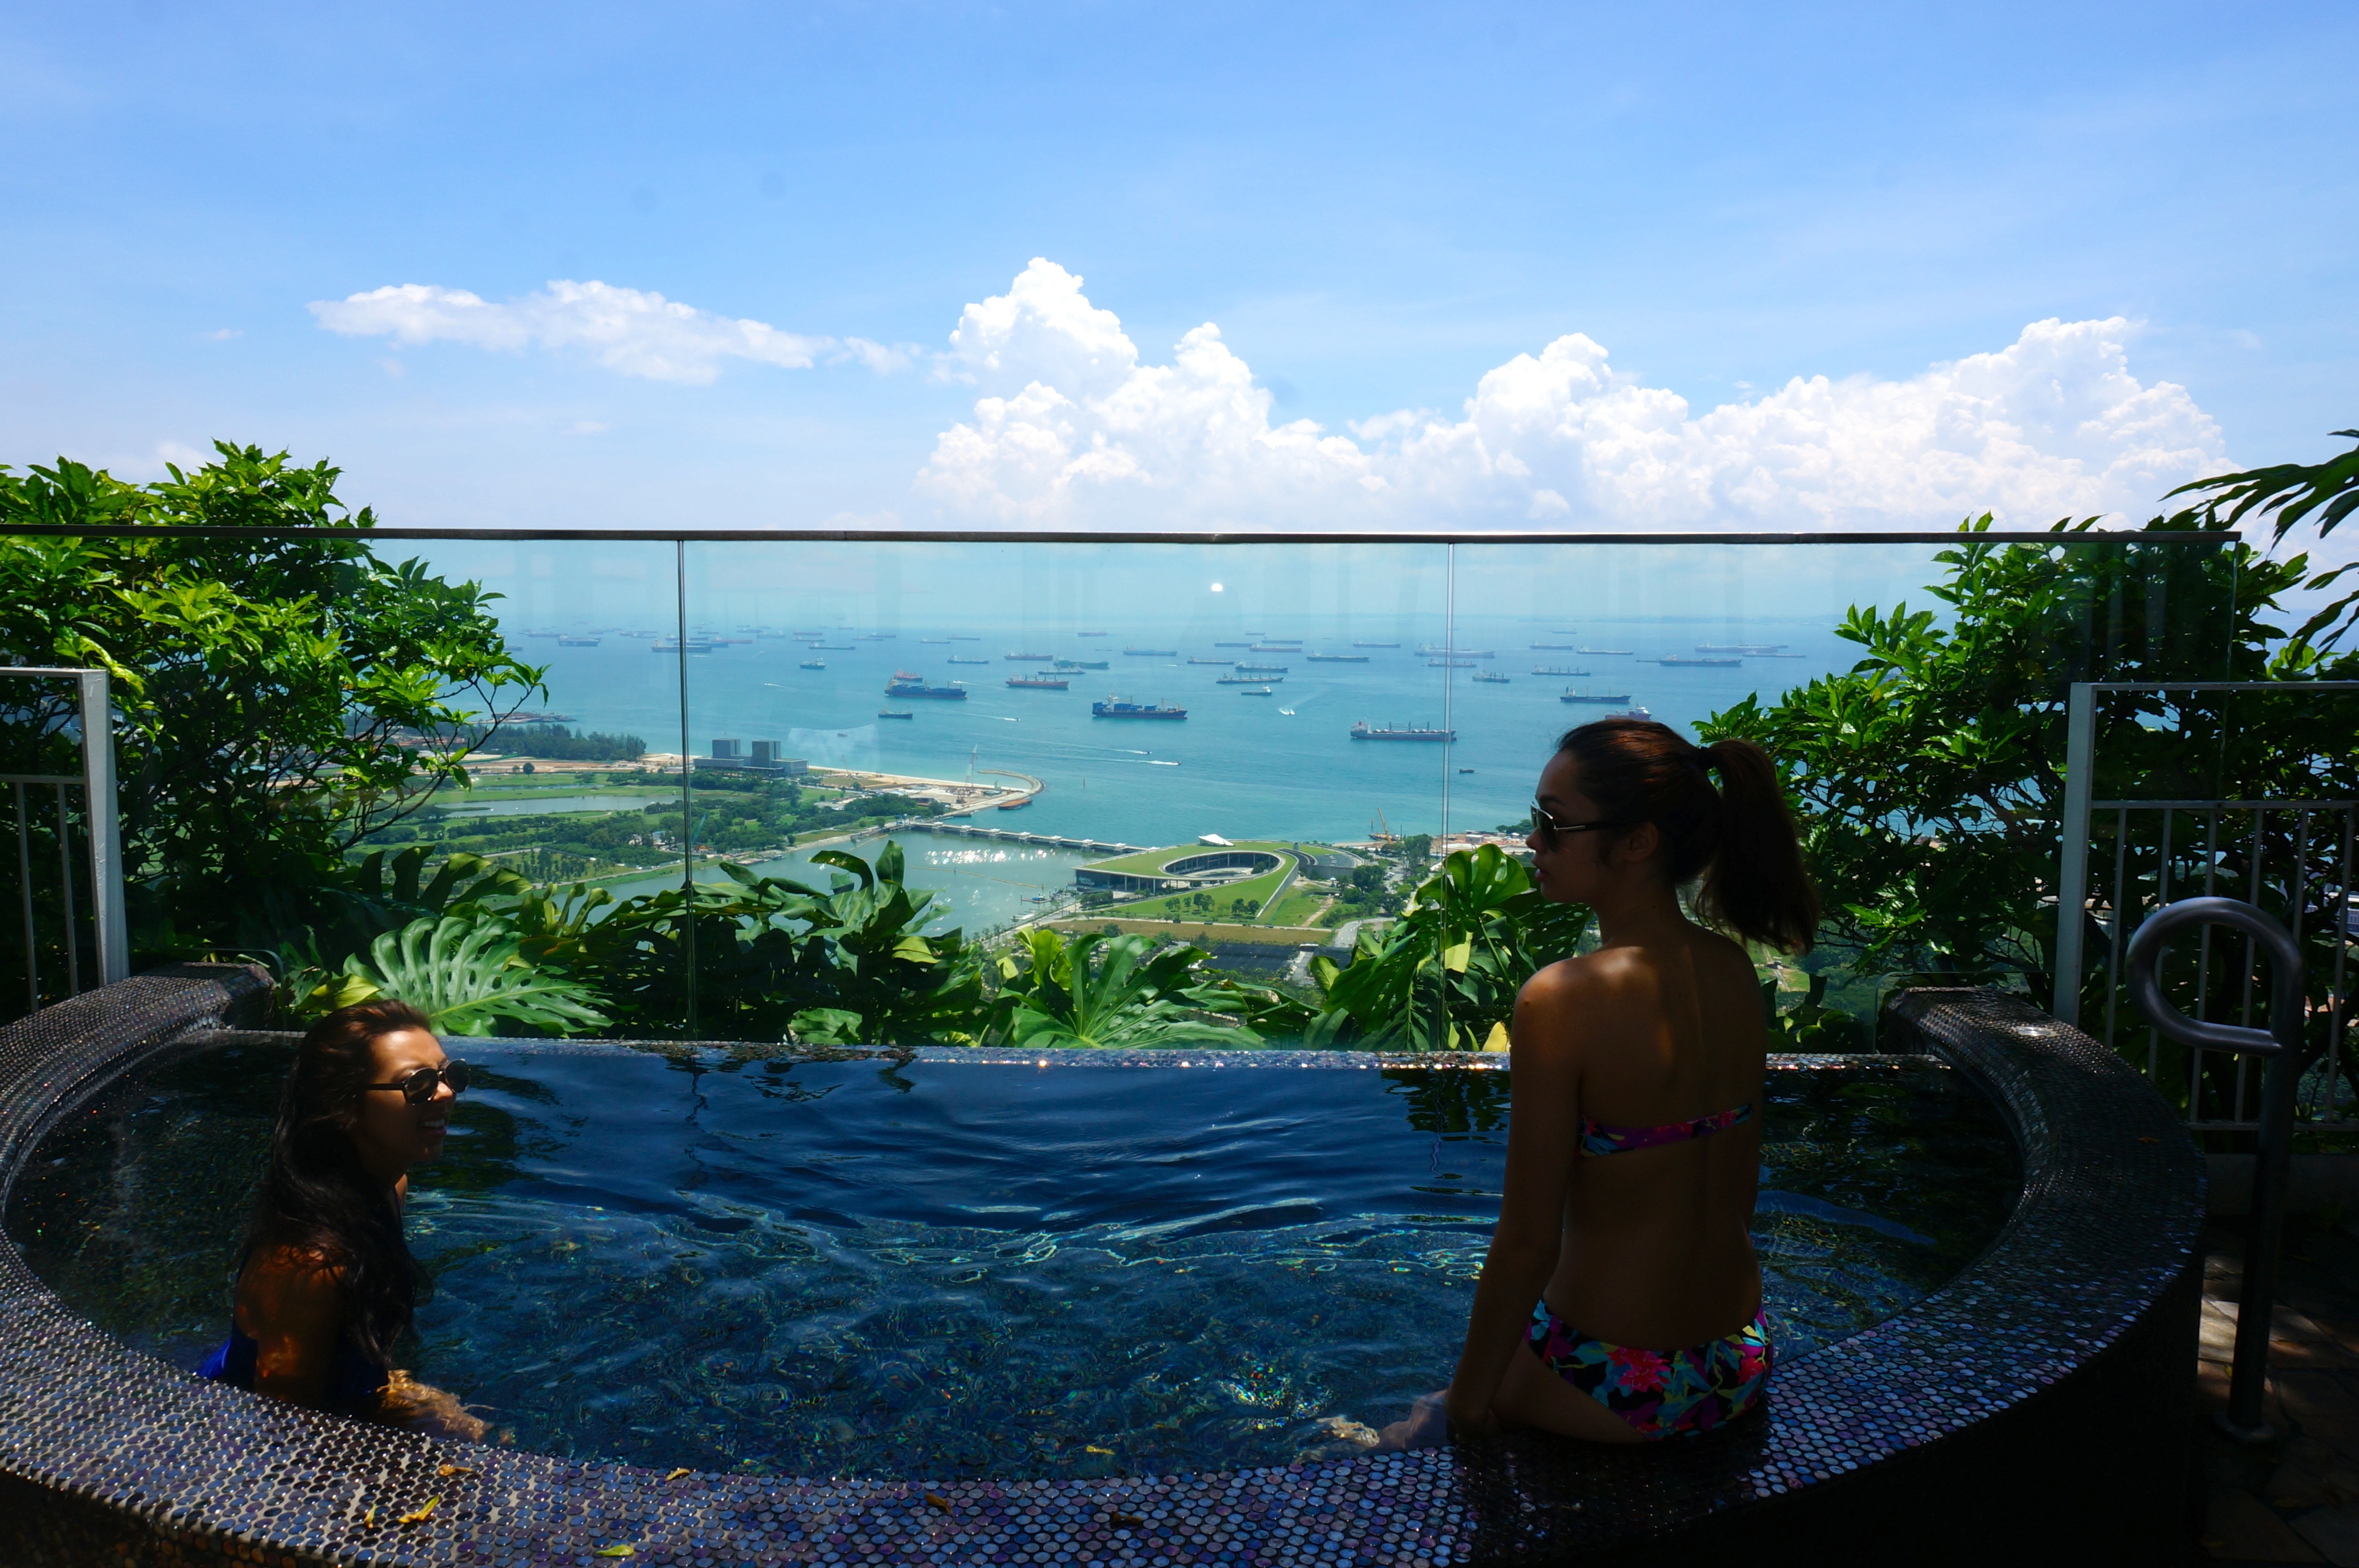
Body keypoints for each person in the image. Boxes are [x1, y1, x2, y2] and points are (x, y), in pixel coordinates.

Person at [1383, 717, 1818, 1447]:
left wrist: (1464, 1409)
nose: (1532, 841)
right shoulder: (1731, 970)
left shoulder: (1563, 998)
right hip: (1736, 1357)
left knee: (1405, 1430)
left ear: (1638, 842)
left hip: (1618, 1379)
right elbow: (1737, 1189)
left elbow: (1528, 1243)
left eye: (1553, 824)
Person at [197, 998, 485, 1438]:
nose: (446, 1093)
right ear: (344, 1106)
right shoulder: (309, 1265)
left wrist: (398, 1389)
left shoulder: (390, 1188)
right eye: (418, 1083)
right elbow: (284, 1430)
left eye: (450, 1075)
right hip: (234, 1423)